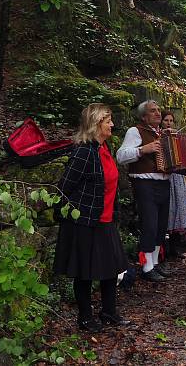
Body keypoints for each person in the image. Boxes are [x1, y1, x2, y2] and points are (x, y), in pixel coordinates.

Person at [54, 103, 129, 333]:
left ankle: (109, 312)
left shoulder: (104, 148)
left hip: (105, 219)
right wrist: (73, 215)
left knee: (111, 267)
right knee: (85, 271)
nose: (112, 125)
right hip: (84, 222)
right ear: (97, 124)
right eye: (108, 121)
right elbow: (64, 188)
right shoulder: (83, 152)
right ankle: (85, 317)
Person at [116, 100, 171, 282]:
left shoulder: (162, 133)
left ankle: (154, 264)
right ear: (143, 116)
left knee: (161, 225)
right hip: (145, 184)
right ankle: (147, 268)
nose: (158, 113)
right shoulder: (135, 131)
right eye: (152, 111)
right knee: (150, 224)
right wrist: (143, 150)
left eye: (158, 110)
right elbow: (121, 156)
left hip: (164, 183)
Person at [160, 111, 186, 259]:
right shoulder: (158, 136)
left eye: (171, 120)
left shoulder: (176, 137)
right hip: (165, 176)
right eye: (166, 120)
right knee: (168, 211)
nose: (168, 123)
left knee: (179, 210)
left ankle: (175, 248)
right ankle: (162, 250)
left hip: (178, 177)